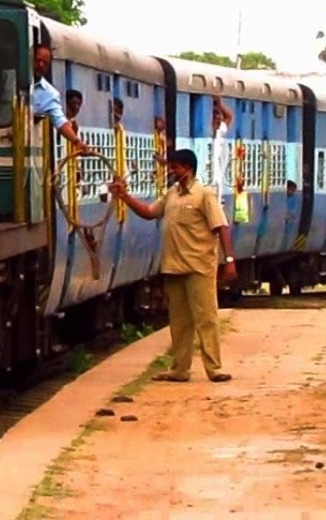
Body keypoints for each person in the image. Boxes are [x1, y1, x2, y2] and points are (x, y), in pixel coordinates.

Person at [108, 149, 236, 383]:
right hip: (173, 267)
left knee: (206, 318)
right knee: (179, 322)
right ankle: (179, 369)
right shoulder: (171, 194)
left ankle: (214, 368)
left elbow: (221, 227)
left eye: (175, 167)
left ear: (187, 168)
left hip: (199, 267)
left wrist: (229, 260)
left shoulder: (204, 195)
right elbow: (149, 213)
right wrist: (125, 196)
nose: (171, 171)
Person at [32, 44, 88, 151]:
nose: (40, 65)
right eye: (37, 60)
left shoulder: (49, 93)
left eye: (45, 63)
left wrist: (77, 142)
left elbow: (60, 121)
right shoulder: (8, 80)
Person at [209, 96, 235, 199]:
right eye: (216, 116)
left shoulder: (221, 130)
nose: (220, 118)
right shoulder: (208, 131)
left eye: (220, 116)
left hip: (217, 171)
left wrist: (220, 104)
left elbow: (229, 116)